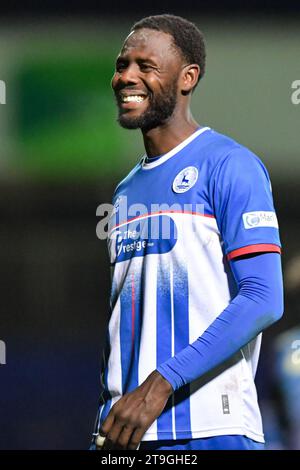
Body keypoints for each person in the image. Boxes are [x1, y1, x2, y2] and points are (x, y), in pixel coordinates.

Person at [92, 14, 284, 451]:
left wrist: (161, 384)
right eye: (123, 65)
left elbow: (263, 297)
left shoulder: (229, 165)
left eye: (145, 66)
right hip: (126, 433)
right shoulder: (124, 192)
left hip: (209, 429)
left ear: (187, 78)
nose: (127, 77)